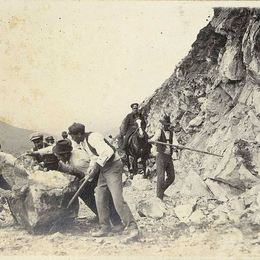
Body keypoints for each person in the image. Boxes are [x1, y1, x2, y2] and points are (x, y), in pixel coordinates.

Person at [68, 122, 139, 239]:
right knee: (99, 195)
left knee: (117, 198)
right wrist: (91, 170)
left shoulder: (93, 137)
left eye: (73, 136)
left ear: (79, 134)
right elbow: (93, 157)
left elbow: (108, 152)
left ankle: (132, 227)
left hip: (113, 166)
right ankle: (105, 227)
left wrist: (97, 165)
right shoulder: (83, 142)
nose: (72, 139)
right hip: (103, 169)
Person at [52, 139, 122, 229]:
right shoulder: (71, 154)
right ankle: (100, 215)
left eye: (59, 157)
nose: (58, 159)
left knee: (105, 197)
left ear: (65, 154)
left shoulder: (78, 162)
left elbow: (90, 175)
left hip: (99, 175)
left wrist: (82, 183)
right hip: (89, 175)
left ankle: (117, 222)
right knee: (85, 194)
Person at [150, 115, 178, 200]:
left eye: (167, 125)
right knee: (161, 177)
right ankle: (159, 197)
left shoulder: (172, 133)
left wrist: (178, 146)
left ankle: (161, 191)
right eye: (165, 124)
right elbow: (154, 138)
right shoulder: (159, 131)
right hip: (161, 156)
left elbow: (175, 142)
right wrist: (152, 140)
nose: (166, 126)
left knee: (172, 177)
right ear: (162, 125)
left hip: (169, 157)